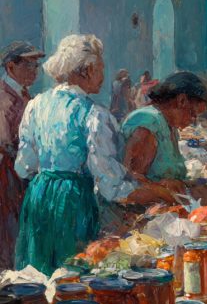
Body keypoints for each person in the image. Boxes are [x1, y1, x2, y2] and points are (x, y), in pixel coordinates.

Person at [14, 34, 174, 275]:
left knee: (38, 275)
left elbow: (25, 166)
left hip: (38, 197)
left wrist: (50, 178)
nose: (102, 76)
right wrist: (159, 194)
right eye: (100, 68)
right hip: (73, 203)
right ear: (87, 70)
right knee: (73, 274)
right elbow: (111, 186)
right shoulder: (94, 115)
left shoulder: (35, 105)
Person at [122, 71, 207, 189]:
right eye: (193, 114)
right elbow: (132, 182)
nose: (193, 121)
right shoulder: (149, 124)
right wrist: (165, 187)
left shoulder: (169, 126)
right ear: (181, 101)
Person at [0, 41, 44, 270]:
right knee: (9, 232)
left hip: (24, 175)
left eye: (36, 65)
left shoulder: (25, 95)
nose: (34, 71)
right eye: (28, 65)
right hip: (8, 178)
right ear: (10, 67)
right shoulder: (3, 96)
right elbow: (4, 142)